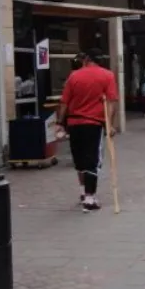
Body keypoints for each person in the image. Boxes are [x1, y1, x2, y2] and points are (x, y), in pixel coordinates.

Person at [56, 48, 117, 212]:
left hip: (74, 124)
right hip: (93, 123)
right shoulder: (107, 75)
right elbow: (111, 102)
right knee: (92, 160)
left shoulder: (73, 76)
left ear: (86, 59)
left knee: (80, 159)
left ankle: (83, 192)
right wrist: (109, 124)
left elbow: (64, 103)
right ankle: (90, 199)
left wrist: (60, 123)